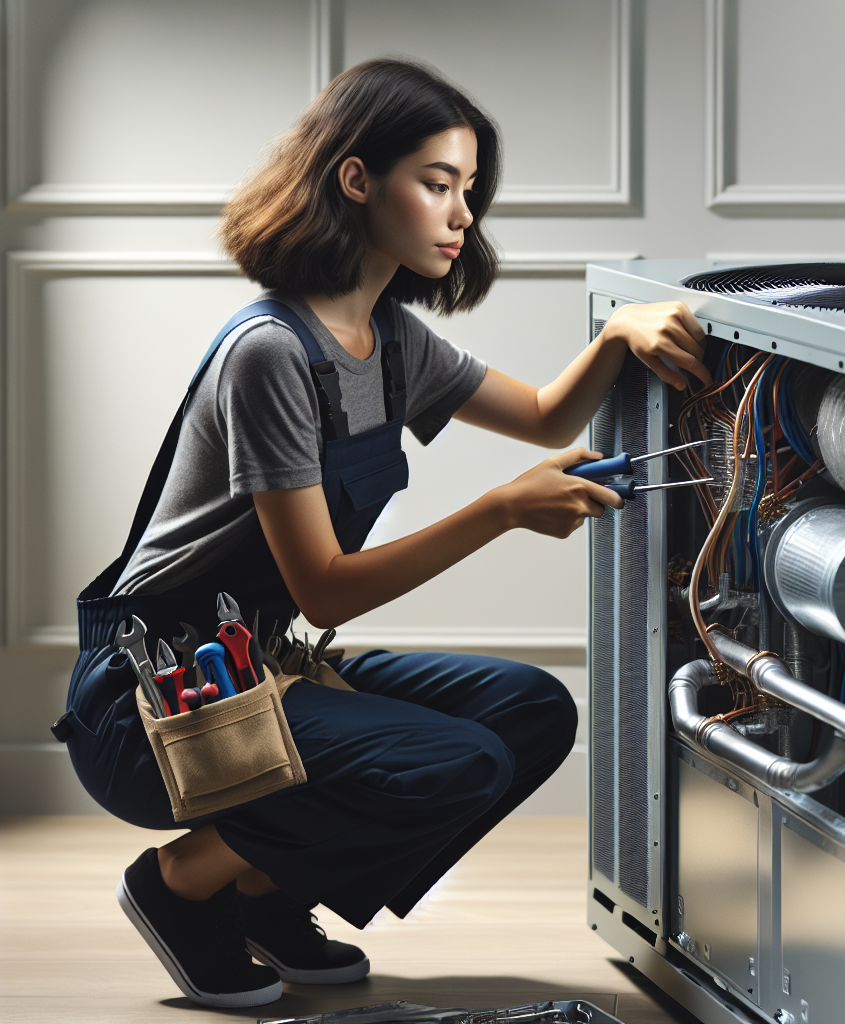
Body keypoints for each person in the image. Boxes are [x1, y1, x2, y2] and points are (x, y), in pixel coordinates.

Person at [61, 57, 708, 1008]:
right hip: (155, 705)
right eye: (437, 185)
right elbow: (325, 586)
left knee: (531, 713)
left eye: (469, 191)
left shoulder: (391, 340)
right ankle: (181, 886)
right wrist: (500, 510)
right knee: (455, 759)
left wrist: (616, 339)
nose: (461, 215)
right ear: (357, 179)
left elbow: (540, 418)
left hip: (263, 669)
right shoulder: (272, 354)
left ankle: (266, 891)